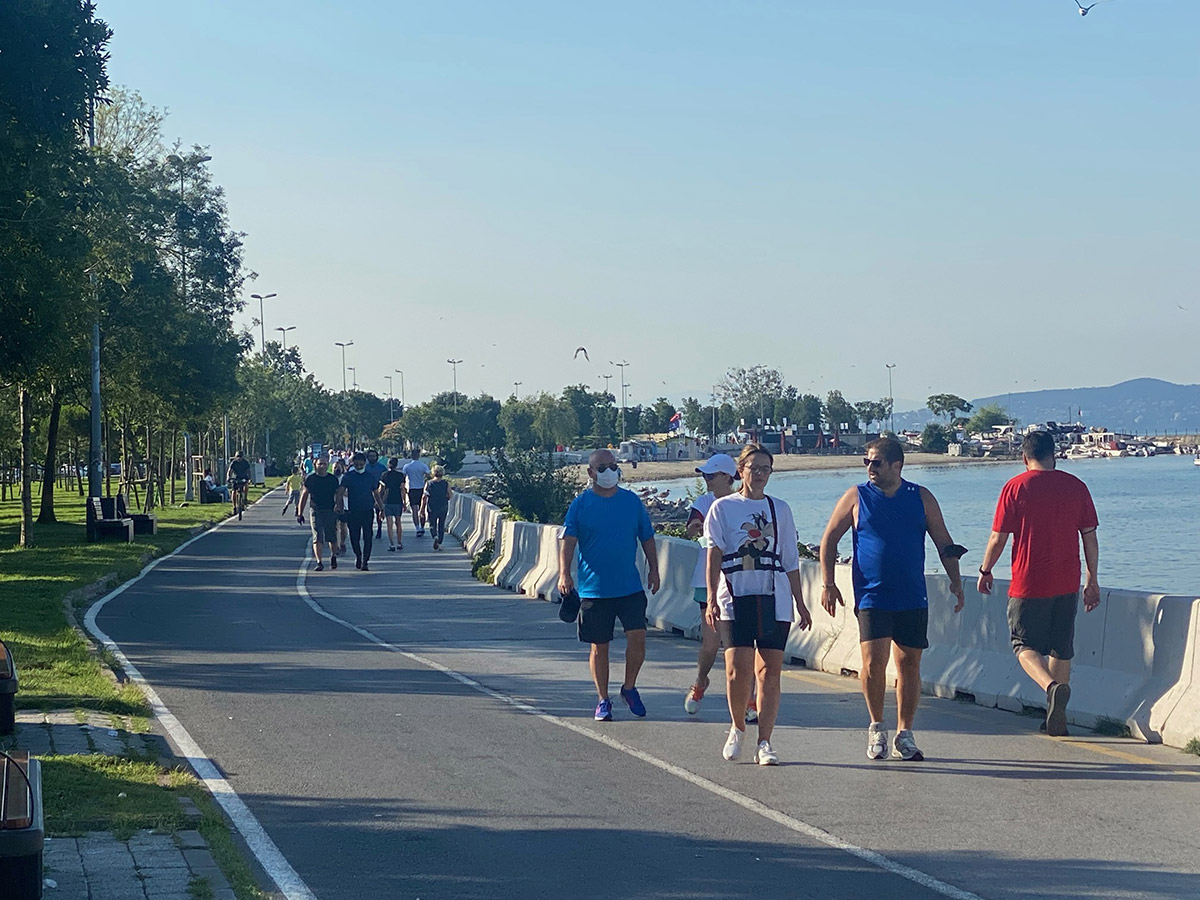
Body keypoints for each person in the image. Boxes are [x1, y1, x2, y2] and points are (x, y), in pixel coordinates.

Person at [819, 437, 965, 762]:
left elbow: (944, 542)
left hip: (912, 594)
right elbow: (829, 538)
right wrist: (828, 583)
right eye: (867, 462)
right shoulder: (856, 496)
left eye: (877, 462)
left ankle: (905, 733)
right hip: (872, 594)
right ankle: (876, 728)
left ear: (896, 465)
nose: (870, 468)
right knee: (873, 662)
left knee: (909, 663)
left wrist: (956, 582)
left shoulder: (921, 497)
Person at [977, 430, 1100, 737]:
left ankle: (1051, 688)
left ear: (1024, 457)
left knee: (1023, 644)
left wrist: (985, 569)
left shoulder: (1015, 487)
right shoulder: (1076, 487)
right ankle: (1055, 717)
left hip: (1028, 582)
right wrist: (1092, 579)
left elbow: (998, 538)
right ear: (1053, 454)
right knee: (1061, 647)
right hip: (1067, 581)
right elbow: (1089, 537)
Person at [705, 443, 812, 765]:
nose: (761, 474)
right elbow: (714, 554)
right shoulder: (723, 509)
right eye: (755, 468)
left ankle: (765, 741)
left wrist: (800, 601)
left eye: (766, 469)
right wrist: (711, 597)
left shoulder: (780, 509)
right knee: (738, 670)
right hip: (734, 595)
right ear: (741, 471)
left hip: (774, 596)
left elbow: (791, 559)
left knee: (770, 671)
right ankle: (738, 727)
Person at [558, 448, 660, 722]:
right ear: (591, 473)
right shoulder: (580, 504)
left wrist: (654, 570)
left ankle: (629, 687)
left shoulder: (631, 502)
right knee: (598, 646)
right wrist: (564, 574)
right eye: (602, 467)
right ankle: (603, 699)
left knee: (637, 638)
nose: (609, 472)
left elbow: (647, 536)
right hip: (594, 589)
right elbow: (568, 540)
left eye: (612, 466)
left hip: (629, 586)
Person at [683, 453, 757, 723]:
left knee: (740, 645)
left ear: (728, 476)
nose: (707, 480)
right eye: (704, 475)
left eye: (711, 476)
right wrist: (698, 527)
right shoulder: (704, 502)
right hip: (707, 582)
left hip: (741, 579)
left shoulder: (742, 502)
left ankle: (749, 701)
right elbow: (692, 527)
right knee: (712, 644)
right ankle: (701, 682)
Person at [336, 452, 384, 571]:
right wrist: (339, 505)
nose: (358, 466)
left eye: (361, 464)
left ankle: (365, 561)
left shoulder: (370, 477)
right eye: (356, 464)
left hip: (367, 510)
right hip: (353, 511)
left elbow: (376, 493)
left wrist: (381, 508)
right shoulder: (349, 476)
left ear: (364, 463)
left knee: (368, 536)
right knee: (354, 537)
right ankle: (358, 555)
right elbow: (340, 492)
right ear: (353, 463)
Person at [298, 457, 339, 571]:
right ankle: (319, 561)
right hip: (316, 510)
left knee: (331, 536)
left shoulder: (332, 479)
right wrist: (299, 512)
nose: (322, 466)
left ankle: (333, 555)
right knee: (317, 536)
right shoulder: (310, 479)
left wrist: (338, 506)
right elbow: (304, 495)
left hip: (330, 510)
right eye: (320, 464)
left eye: (324, 464)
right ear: (315, 465)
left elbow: (338, 494)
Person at [421, 465, 452, 550]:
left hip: (432, 507)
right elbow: (450, 494)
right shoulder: (446, 483)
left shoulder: (429, 483)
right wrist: (447, 498)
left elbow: (424, 497)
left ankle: (435, 536)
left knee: (432, 524)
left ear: (433, 473)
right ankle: (439, 541)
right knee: (441, 525)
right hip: (443, 506)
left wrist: (422, 509)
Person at [379, 457, 407, 552]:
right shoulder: (401, 476)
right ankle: (399, 542)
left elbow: (381, 490)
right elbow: (403, 489)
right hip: (397, 500)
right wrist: (404, 502)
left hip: (387, 500)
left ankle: (392, 544)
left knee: (389, 523)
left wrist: (380, 502)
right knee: (398, 522)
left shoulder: (384, 475)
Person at [402, 450, 432, 536]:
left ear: (411, 456)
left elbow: (403, 478)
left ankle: (417, 527)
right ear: (418, 456)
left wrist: (404, 488)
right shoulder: (423, 466)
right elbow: (429, 476)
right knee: (422, 508)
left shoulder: (407, 466)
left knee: (414, 509)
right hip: (422, 489)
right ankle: (422, 526)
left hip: (412, 489)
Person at [364, 450, 388, 539]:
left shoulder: (381, 467)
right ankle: (369, 529)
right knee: (368, 512)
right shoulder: (365, 467)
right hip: (367, 492)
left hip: (378, 492)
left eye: (374, 456)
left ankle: (379, 529)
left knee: (379, 511)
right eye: (370, 456)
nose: (372, 458)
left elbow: (386, 478)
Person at [332, 458, 349, 553]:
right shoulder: (330, 479)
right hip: (333, 505)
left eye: (338, 468)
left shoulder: (345, 478)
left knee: (343, 526)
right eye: (334, 468)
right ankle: (337, 545)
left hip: (345, 505)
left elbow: (348, 492)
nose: (336, 470)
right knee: (335, 526)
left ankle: (342, 542)